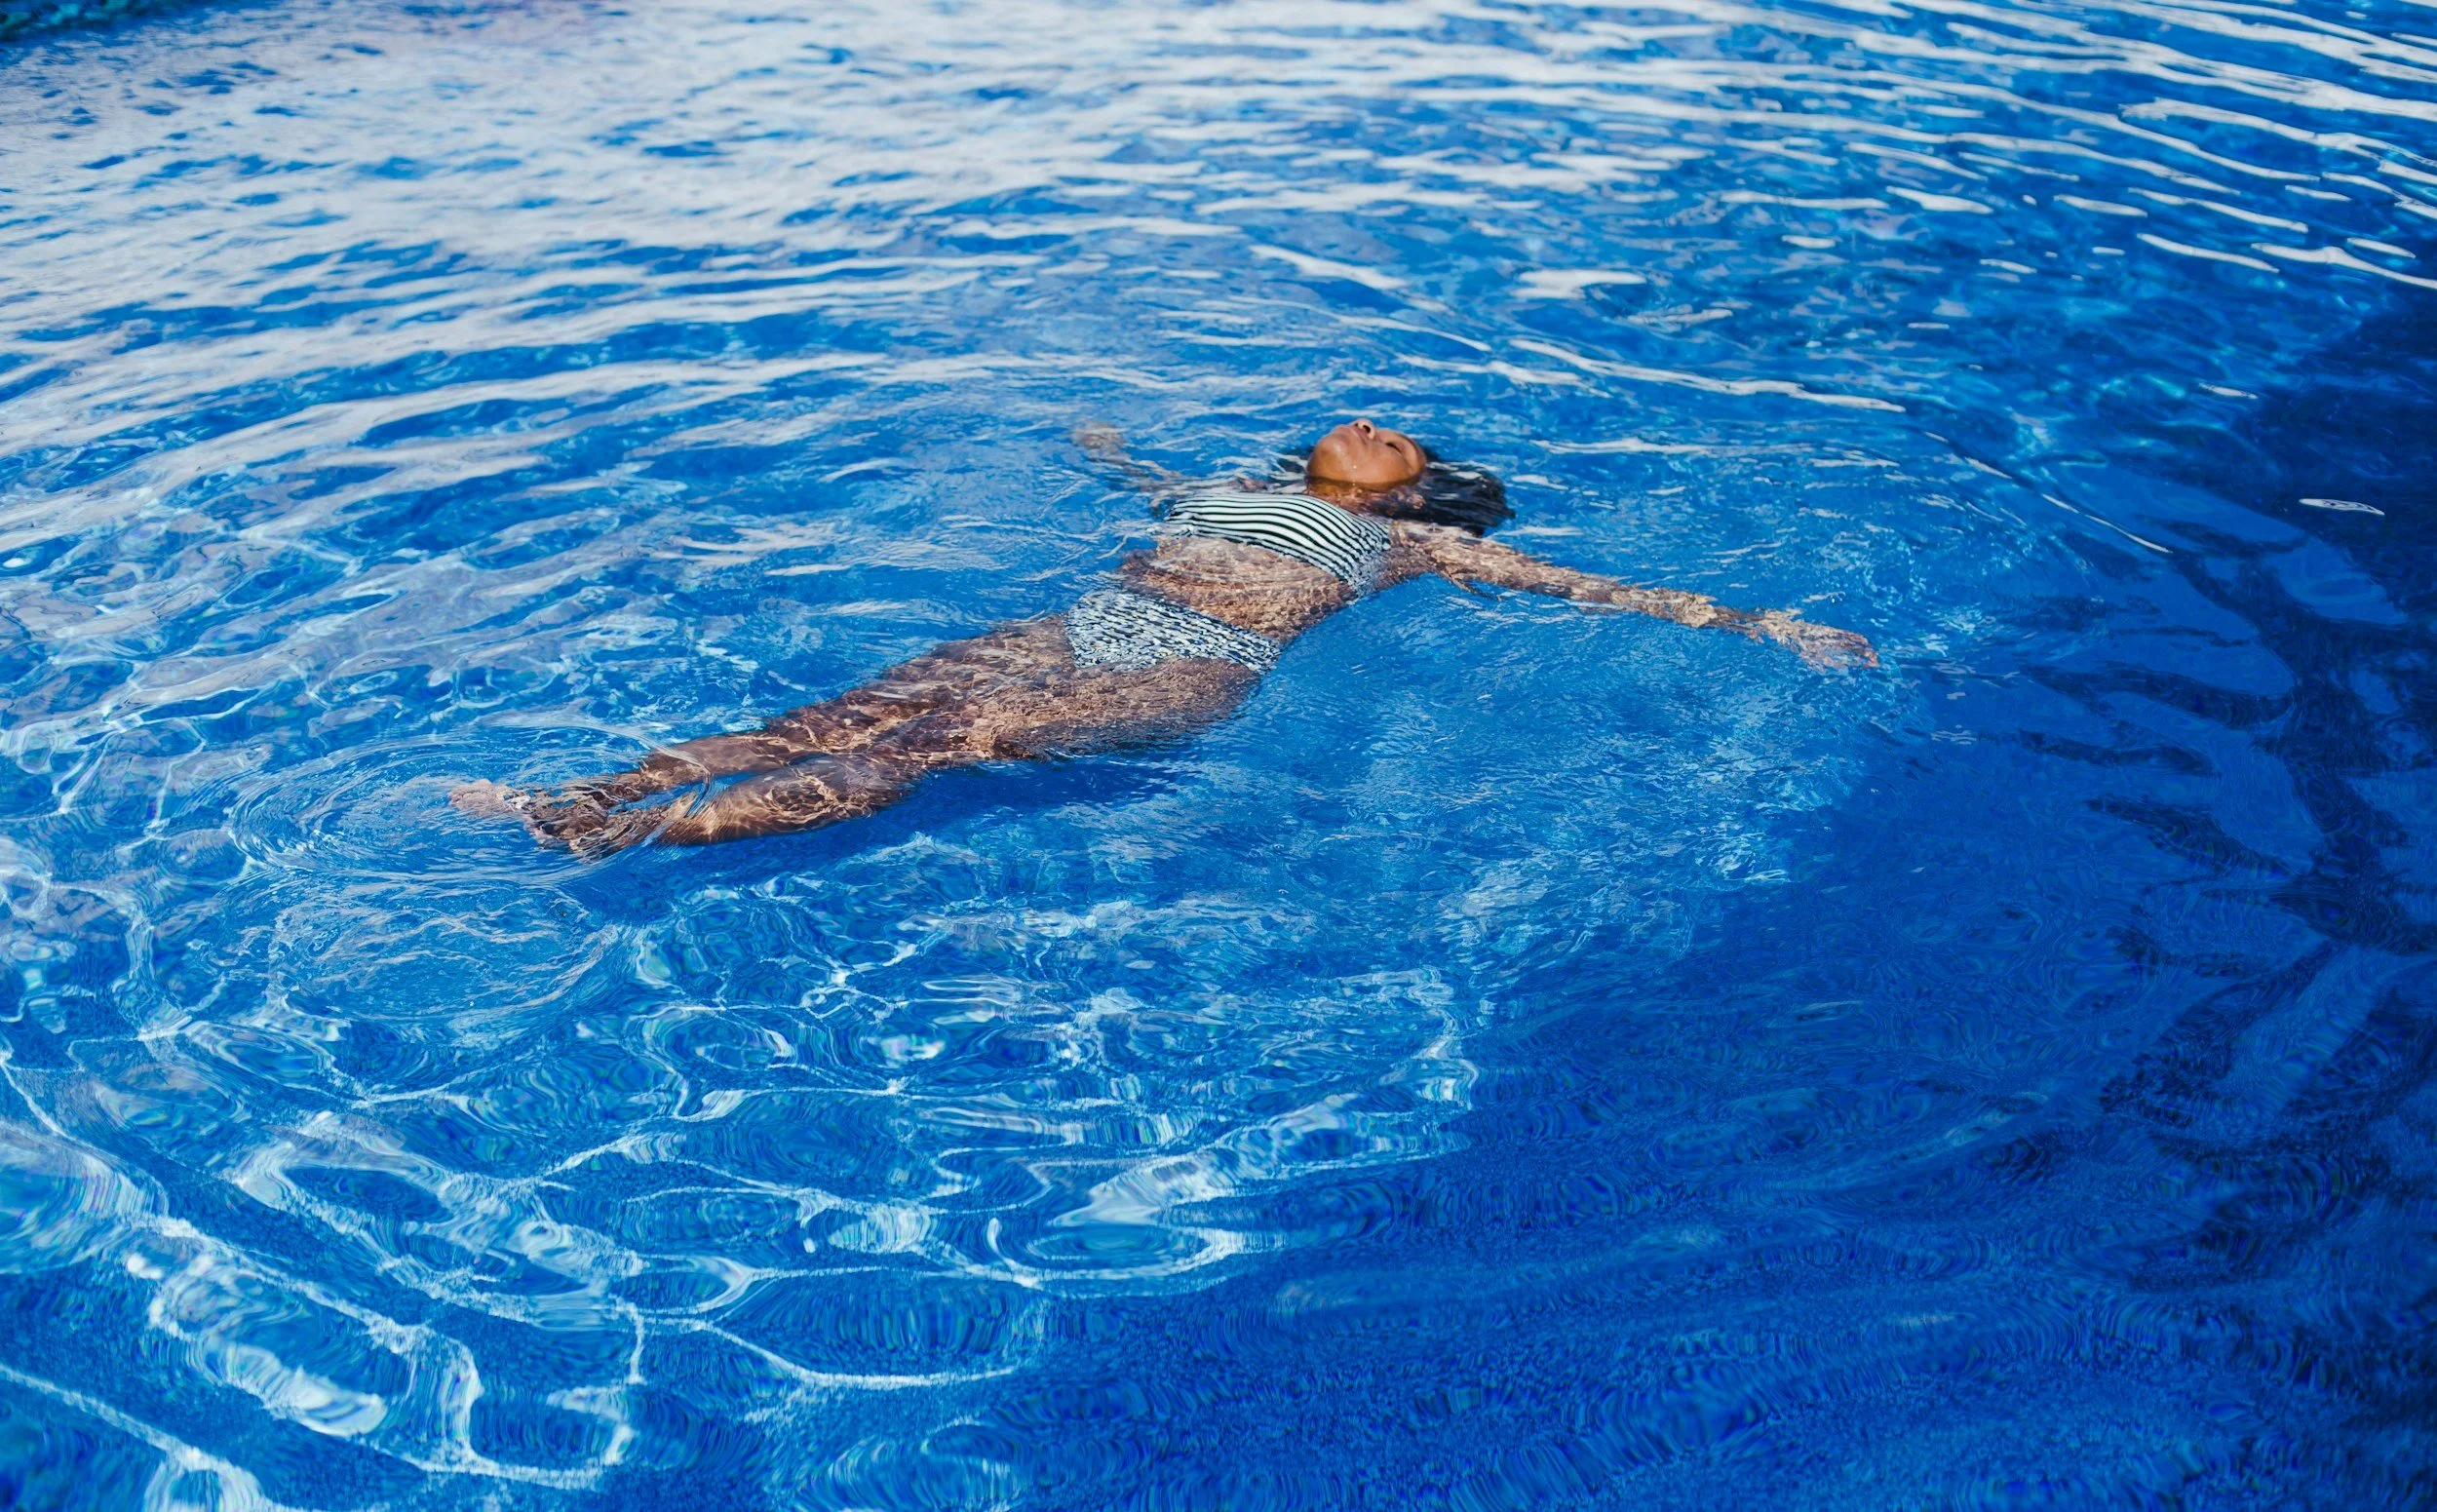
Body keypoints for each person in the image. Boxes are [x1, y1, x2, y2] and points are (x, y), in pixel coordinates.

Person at [451, 420, 1875, 853]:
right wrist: (1108, 450)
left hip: (1192, 667)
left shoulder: (1427, 541)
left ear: (1422, 493)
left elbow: (1597, 591)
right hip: (1083, 620)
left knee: (942, 741)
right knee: (820, 721)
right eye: (1367, 416)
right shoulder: (1235, 488)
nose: (1375, 423)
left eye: (1403, 438)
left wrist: (1763, 621)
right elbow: (1145, 490)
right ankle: (579, 796)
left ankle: (621, 837)